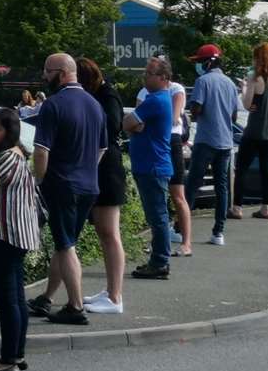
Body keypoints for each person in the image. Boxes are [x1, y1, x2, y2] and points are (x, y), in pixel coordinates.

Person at [27, 53, 105, 325]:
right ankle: (47, 298)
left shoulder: (53, 105)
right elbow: (102, 147)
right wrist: (86, 168)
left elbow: (40, 151)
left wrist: (39, 180)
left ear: (61, 73)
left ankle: (75, 306)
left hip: (61, 185)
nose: (44, 77)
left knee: (66, 245)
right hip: (89, 185)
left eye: (47, 72)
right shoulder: (95, 105)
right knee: (65, 244)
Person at [0, 108, 41, 371]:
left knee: (7, 300)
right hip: (20, 233)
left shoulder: (5, 157)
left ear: (9, 131)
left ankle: (8, 359)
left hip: (6, 233)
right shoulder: (19, 153)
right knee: (16, 298)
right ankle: (17, 354)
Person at [71, 57, 127, 315]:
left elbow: (112, 126)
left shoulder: (108, 96)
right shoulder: (103, 94)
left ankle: (115, 296)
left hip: (107, 169)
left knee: (109, 233)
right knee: (105, 234)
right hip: (101, 168)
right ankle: (110, 291)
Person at [124, 56, 175, 280]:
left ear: (163, 77)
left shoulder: (156, 100)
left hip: (152, 165)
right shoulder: (158, 99)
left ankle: (160, 262)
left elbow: (127, 122)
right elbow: (132, 123)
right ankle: (159, 259)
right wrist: (135, 126)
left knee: (157, 217)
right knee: (157, 215)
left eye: (149, 73)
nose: (144, 76)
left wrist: (135, 126)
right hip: (151, 165)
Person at [183, 44, 239, 246]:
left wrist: (197, 112)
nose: (197, 65)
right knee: (222, 186)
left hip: (206, 140)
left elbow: (196, 110)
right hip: (226, 142)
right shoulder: (230, 83)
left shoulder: (202, 81)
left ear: (208, 62)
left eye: (199, 62)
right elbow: (234, 115)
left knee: (192, 184)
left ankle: (180, 228)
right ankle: (218, 232)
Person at [136, 59, 192, 257]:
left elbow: (174, 117)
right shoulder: (144, 92)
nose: (146, 75)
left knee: (177, 195)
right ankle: (159, 242)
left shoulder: (176, 88)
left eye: (150, 72)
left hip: (171, 141)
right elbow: (136, 121)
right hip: (152, 145)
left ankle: (186, 243)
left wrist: (150, 121)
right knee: (154, 201)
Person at [230, 43, 268, 220]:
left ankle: (237, 207)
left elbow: (247, 105)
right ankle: (266, 207)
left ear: (258, 58)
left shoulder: (254, 76)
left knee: (242, 168)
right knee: (266, 169)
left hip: (254, 130)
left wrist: (244, 88)